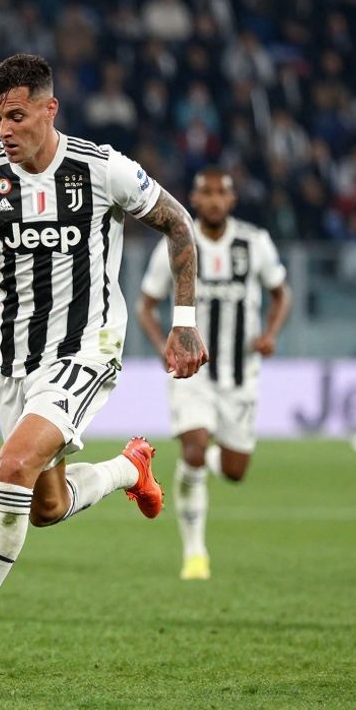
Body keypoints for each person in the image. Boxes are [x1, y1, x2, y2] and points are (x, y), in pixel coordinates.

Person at [0, 54, 208, 678]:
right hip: (15, 358)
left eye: (17, 116)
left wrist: (183, 321)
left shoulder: (101, 170)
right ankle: (129, 469)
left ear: (49, 109)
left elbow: (177, 222)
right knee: (42, 506)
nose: (4, 130)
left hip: (87, 348)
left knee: (11, 466)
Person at [137, 167, 290, 581]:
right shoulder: (178, 240)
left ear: (232, 200)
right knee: (194, 449)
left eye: (222, 192)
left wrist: (271, 334)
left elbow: (281, 293)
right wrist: (161, 349)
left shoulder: (253, 243)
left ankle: (202, 467)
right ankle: (195, 553)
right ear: (195, 198)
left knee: (236, 470)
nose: (215, 200)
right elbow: (146, 306)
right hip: (193, 373)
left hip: (240, 377)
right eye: (207, 192)